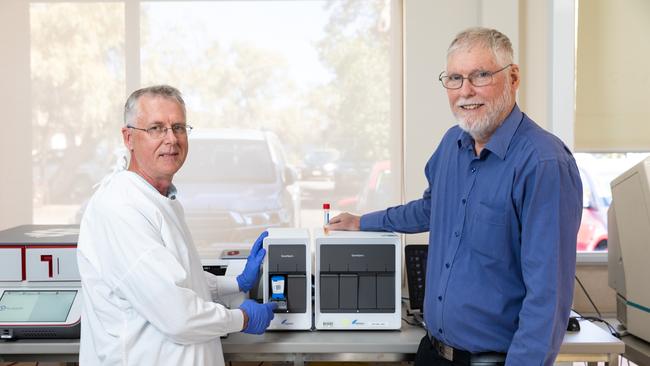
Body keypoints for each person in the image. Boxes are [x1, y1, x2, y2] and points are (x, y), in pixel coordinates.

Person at [326, 27, 582, 366]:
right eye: (455, 78)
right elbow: (433, 209)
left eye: (480, 75)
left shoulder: (544, 163)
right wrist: (363, 222)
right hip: (434, 352)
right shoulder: (452, 144)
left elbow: (547, 301)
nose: (466, 91)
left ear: (513, 77)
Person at [76, 85, 277, 366]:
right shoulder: (121, 208)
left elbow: (173, 277)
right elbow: (178, 316)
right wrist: (241, 318)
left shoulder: (160, 199)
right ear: (128, 137)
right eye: (156, 128)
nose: (171, 139)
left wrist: (235, 283)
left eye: (179, 127)